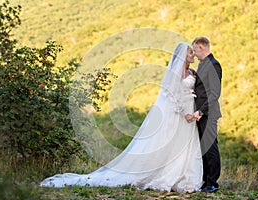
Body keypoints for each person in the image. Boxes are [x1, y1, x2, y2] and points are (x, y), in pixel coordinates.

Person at [40, 42, 203, 193]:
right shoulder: (175, 73)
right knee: (169, 143)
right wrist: (185, 113)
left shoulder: (192, 72)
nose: (193, 55)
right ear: (182, 55)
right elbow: (171, 95)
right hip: (178, 113)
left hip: (190, 110)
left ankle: (184, 175)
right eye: (190, 53)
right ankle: (165, 174)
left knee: (184, 144)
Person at [192, 36, 222, 193]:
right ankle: (206, 180)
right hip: (200, 114)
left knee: (210, 147)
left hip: (208, 113)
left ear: (202, 47)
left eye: (195, 50)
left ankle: (213, 183)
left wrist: (202, 111)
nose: (195, 54)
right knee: (204, 147)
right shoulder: (203, 64)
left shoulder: (214, 65)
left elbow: (214, 93)